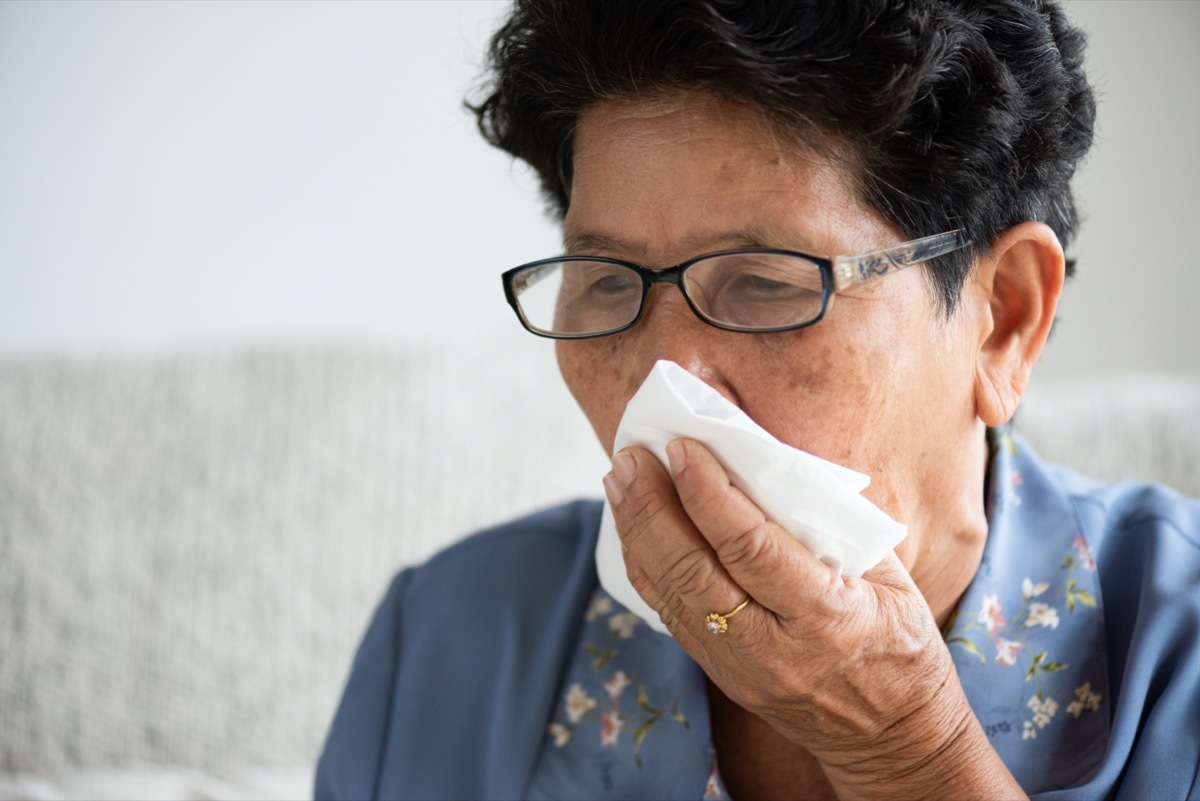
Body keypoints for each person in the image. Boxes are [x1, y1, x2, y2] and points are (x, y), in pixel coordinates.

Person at [315, 1, 1200, 798]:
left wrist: (907, 752)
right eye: (608, 281)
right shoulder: (443, 639)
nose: (666, 376)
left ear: (1003, 316)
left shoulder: (1179, 645)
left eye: (766, 283)